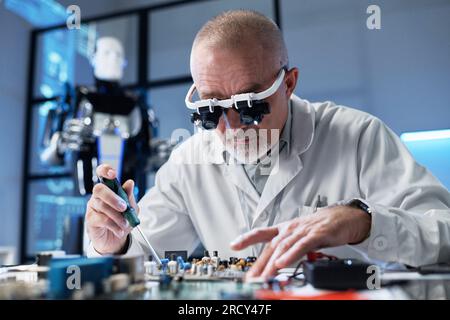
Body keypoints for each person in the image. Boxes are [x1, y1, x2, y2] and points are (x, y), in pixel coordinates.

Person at [85, 10, 450, 279]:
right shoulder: (187, 164)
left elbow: (443, 234)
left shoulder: (357, 137)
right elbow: (139, 258)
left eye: (249, 107)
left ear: (288, 84)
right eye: (211, 110)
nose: (229, 129)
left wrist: (365, 223)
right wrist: (112, 241)